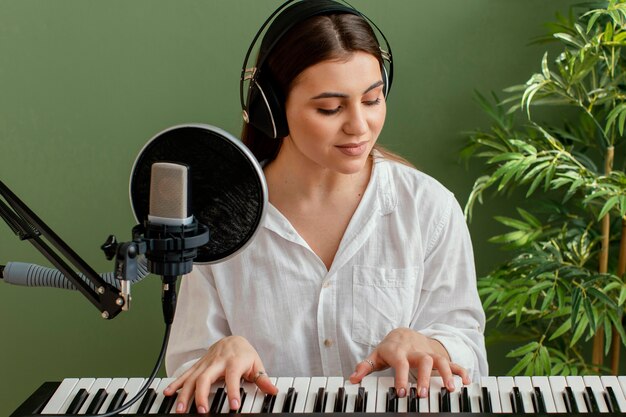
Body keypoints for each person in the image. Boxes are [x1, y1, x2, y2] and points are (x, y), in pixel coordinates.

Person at [163, 0, 488, 414]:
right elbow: (187, 369)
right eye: (330, 108)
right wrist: (220, 354)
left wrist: (436, 344)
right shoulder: (217, 222)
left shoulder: (430, 209)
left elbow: (468, 348)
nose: (359, 125)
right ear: (273, 110)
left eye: (372, 100)